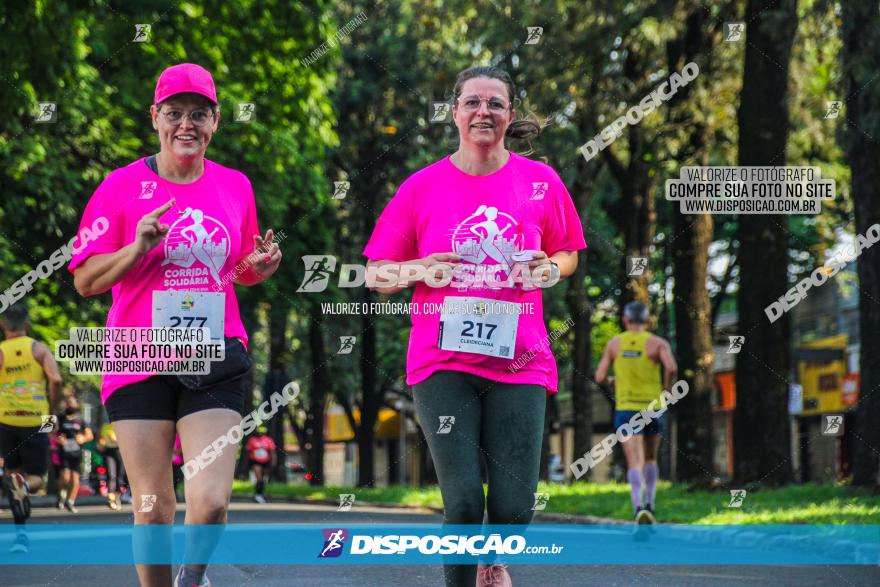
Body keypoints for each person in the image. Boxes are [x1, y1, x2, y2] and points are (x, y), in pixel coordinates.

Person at [364, 66, 586, 587]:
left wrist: (550, 269)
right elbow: (377, 273)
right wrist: (421, 268)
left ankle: (493, 557)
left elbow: (569, 252)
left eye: (494, 103)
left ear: (510, 115)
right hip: (442, 363)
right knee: (462, 502)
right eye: (471, 102)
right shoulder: (421, 188)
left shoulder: (540, 181)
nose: (482, 111)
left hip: (522, 360)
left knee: (514, 510)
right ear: (455, 113)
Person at [69, 63, 281, 587]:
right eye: (174, 113)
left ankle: (193, 576)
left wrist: (263, 264)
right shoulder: (119, 188)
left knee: (209, 503)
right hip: (137, 354)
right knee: (154, 505)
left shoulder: (234, 186)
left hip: (214, 352)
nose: (186, 124)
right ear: (156, 118)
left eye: (199, 115)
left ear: (214, 123)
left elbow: (243, 268)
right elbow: (85, 279)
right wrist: (137, 246)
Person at [595, 301, 678, 524]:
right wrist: (666, 388)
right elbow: (671, 367)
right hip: (653, 407)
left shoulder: (614, 344)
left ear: (625, 320)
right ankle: (650, 505)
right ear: (648, 320)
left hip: (626, 407)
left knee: (634, 462)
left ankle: (637, 507)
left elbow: (600, 376)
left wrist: (613, 382)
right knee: (651, 458)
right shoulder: (657, 343)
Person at [0, 303, 62, 553]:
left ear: (3, 326)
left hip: (4, 419)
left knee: (14, 475)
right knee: (35, 478)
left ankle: (21, 536)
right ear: (27, 325)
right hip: (37, 419)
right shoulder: (38, 348)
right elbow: (56, 379)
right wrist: (52, 413)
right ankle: (24, 488)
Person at [55, 395, 93, 513]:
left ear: (76, 405)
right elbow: (48, 433)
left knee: (75, 479)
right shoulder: (59, 417)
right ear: (65, 404)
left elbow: (90, 435)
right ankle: (62, 494)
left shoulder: (80, 419)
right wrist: (58, 439)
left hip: (77, 452)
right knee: (65, 476)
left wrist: (83, 438)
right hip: (63, 451)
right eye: (68, 403)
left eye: (73, 403)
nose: (70, 405)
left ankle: (70, 502)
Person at [96, 421, 125, 510]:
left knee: (119, 476)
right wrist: (100, 443)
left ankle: (117, 498)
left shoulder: (121, 425)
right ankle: (110, 499)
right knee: (110, 474)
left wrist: (116, 439)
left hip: (119, 451)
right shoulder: (105, 426)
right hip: (108, 451)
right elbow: (100, 438)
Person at [245, 425, 276, 503]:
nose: (261, 433)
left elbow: (272, 452)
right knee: (259, 478)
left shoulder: (268, 440)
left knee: (263, 479)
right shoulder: (252, 440)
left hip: (266, 461)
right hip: (256, 461)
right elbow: (248, 452)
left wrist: (273, 461)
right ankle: (258, 495)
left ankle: (261, 494)